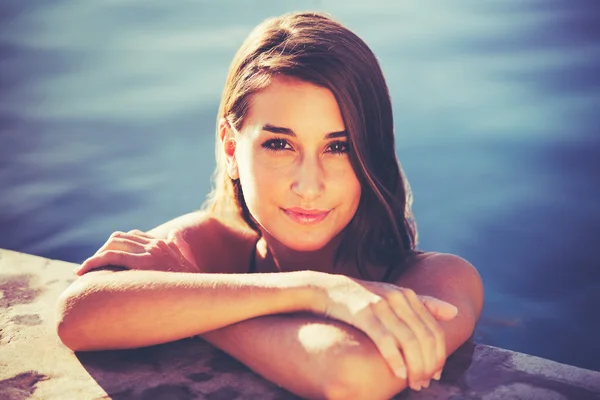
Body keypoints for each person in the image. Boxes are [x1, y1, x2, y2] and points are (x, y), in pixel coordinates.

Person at [55, 11, 483, 400]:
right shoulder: (210, 242)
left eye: (338, 147)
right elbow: (79, 314)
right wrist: (317, 290)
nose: (309, 186)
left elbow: (351, 376)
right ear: (229, 148)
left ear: (369, 152)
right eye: (279, 144)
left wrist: (188, 296)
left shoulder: (437, 281)